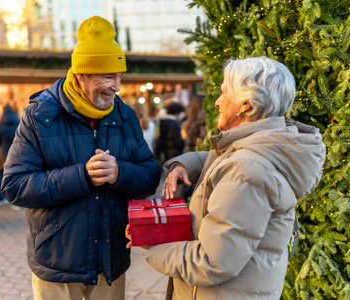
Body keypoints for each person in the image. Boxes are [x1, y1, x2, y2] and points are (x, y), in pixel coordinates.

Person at [126, 57, 326, 299]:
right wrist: (186, 165)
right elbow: (224, 157)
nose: (218, 102)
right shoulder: (261, 146)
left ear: (246, 105)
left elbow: (212, 262)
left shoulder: (247, 170)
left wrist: (154, 244)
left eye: (224, 93)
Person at [1, 15, 161, 300]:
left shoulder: (125, 116)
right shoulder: (39, 116)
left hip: (111, 263)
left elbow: (150, 174)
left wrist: (120, 173)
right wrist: (82, 176)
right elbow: (14, 186)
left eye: (119, 77)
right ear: (81, 76)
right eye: (108, 77)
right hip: (56, 265)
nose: (117, 87)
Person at [0, 105, 20, 205]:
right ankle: (17, 199)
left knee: (2, 176)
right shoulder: (20, 123)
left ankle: (0, 198)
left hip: (5, 154)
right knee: (18, 176)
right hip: (19, 153)